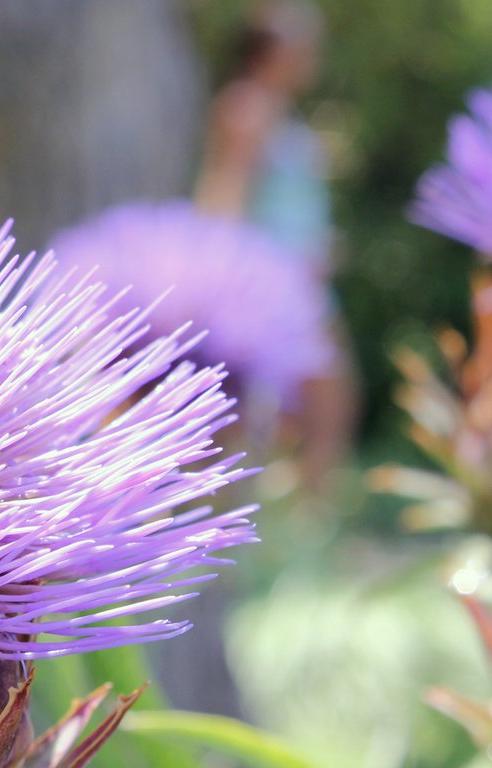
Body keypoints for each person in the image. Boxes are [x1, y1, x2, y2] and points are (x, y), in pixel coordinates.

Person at [195, 0, 357, 496]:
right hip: (275, 286)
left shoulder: (281, 112)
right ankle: (294, 519)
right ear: (271, 48)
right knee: (322, 399)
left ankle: (289, 514)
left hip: (301, 283)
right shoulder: (247, 107)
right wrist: (230, 279)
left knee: (307, 405)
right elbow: (224, 196)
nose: (313, 52)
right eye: (302, 41)